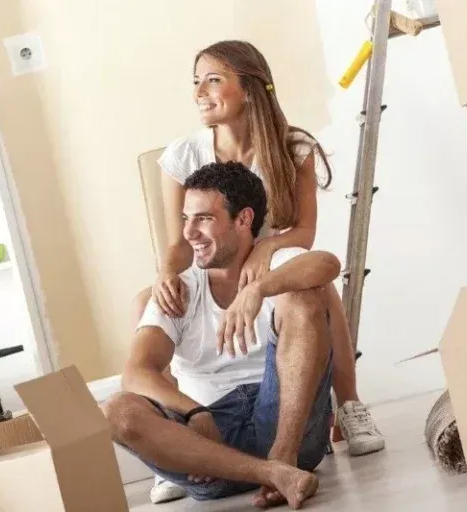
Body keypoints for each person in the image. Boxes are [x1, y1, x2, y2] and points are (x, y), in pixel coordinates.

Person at [133, 39, 384, 503]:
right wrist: (166, 273)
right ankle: (172, 444)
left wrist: (264, 249)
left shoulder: (293, 146)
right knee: (146, 302)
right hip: (214, 263)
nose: (199, 93)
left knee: (317, 285)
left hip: (270, 255)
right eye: (196, 82)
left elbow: (304, 232)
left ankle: (349, 404)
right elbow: (178, 240)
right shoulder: (184, 154)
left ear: (248, 88)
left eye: (213, 80)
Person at [106, 162, 338, 510]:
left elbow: (327, 263)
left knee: (302, 298)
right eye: (186, 219)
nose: (189, 233)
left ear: (243, 219)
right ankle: (274, 474)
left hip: (286, 430)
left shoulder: (277, 262)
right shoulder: (180, 289)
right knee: (116, 410)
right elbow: (136, 372)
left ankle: (282, 459)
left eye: (203, 219)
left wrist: (258, 289)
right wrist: (194, 413)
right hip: (210, 446)